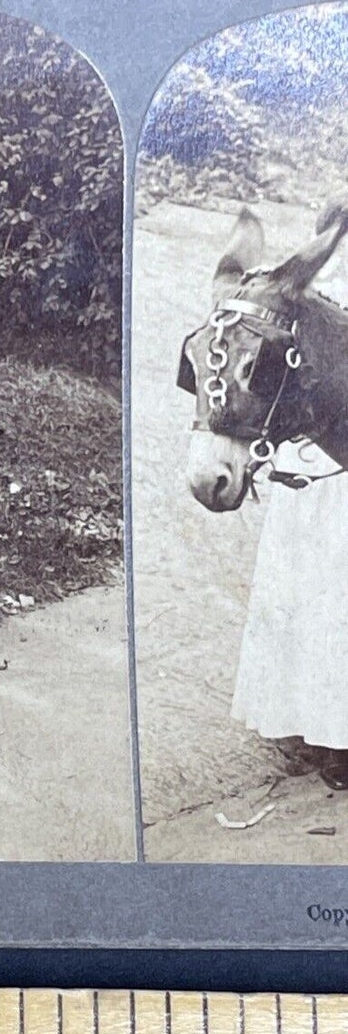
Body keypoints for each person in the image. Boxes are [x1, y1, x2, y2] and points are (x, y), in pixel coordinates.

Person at [230, 252, 348, 790]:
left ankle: (338, 739)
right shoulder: (304, 279)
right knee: (293, 599)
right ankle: (296, 722)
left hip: (340, 470)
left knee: (333, 607)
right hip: (301, 464)